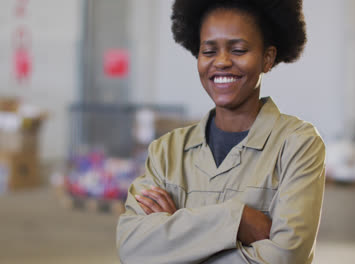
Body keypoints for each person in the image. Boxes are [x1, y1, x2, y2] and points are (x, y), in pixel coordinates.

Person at [116, 0, 326, 263]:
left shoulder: (297, 144)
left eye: (238, 50)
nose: (222, 62)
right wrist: (238, 220)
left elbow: (286, 257)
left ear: (267, 58)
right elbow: (132, 247)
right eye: (209, 51)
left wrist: (176, 240)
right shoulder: (166, 151)